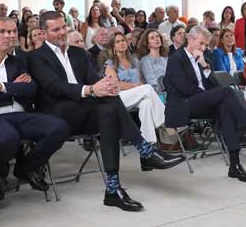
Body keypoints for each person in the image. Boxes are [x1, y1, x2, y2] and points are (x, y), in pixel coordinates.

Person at [28, 12, 184, 211]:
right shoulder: (35, 57)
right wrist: (91, 90)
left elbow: (94, 78)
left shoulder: (78, 53)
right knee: (107, 103)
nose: (61, 33)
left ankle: (113, 189)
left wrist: (105, 85)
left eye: (63, 28)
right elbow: (53, 86)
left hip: (85, 111)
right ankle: (145, 150)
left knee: (108, 111)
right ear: (43, 32)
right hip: (57, 115)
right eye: (55, 29)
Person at [0, 17, 70, 200]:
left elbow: (31, 90)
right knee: (7, 138)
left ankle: (25, 167)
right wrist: (14, 88)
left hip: (21, 114)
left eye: (12, 31)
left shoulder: (17, 61)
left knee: (60, 127)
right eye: (3, 32)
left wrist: (1, 86)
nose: (10, 36)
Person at [164, 26, 246, 183]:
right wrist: (209, 95)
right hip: (182, 105)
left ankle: (235, 166)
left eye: (205, 45)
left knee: (225, 108)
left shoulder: (202, 59)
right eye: (201, 44)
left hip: (200, 102)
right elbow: (185, 89)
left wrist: (204, 66)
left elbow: (212, 87)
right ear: (190, 39)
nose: (203, 48)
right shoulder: (176, 59)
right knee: (227, 93)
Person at [102, 30, 169, 147]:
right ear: (113, 46)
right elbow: (116, 84)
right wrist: (136, 86)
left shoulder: (134, 61)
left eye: (123, 40)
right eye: (118, 42)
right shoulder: (110, 64)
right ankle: (166, 122)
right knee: (147, 88)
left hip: (136, 95)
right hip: (118, 97)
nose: (122, 43)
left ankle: (148, 145)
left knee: (147, 104)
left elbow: (141, 80)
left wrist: (139, 86)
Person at [138, 28, 169, 93]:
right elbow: (152, 83)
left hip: (170, 90)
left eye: (157, 36)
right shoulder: (145, 60)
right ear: (147, 44)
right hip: (157, 94)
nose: (156, 39)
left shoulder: (166, 58)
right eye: (152, 38)